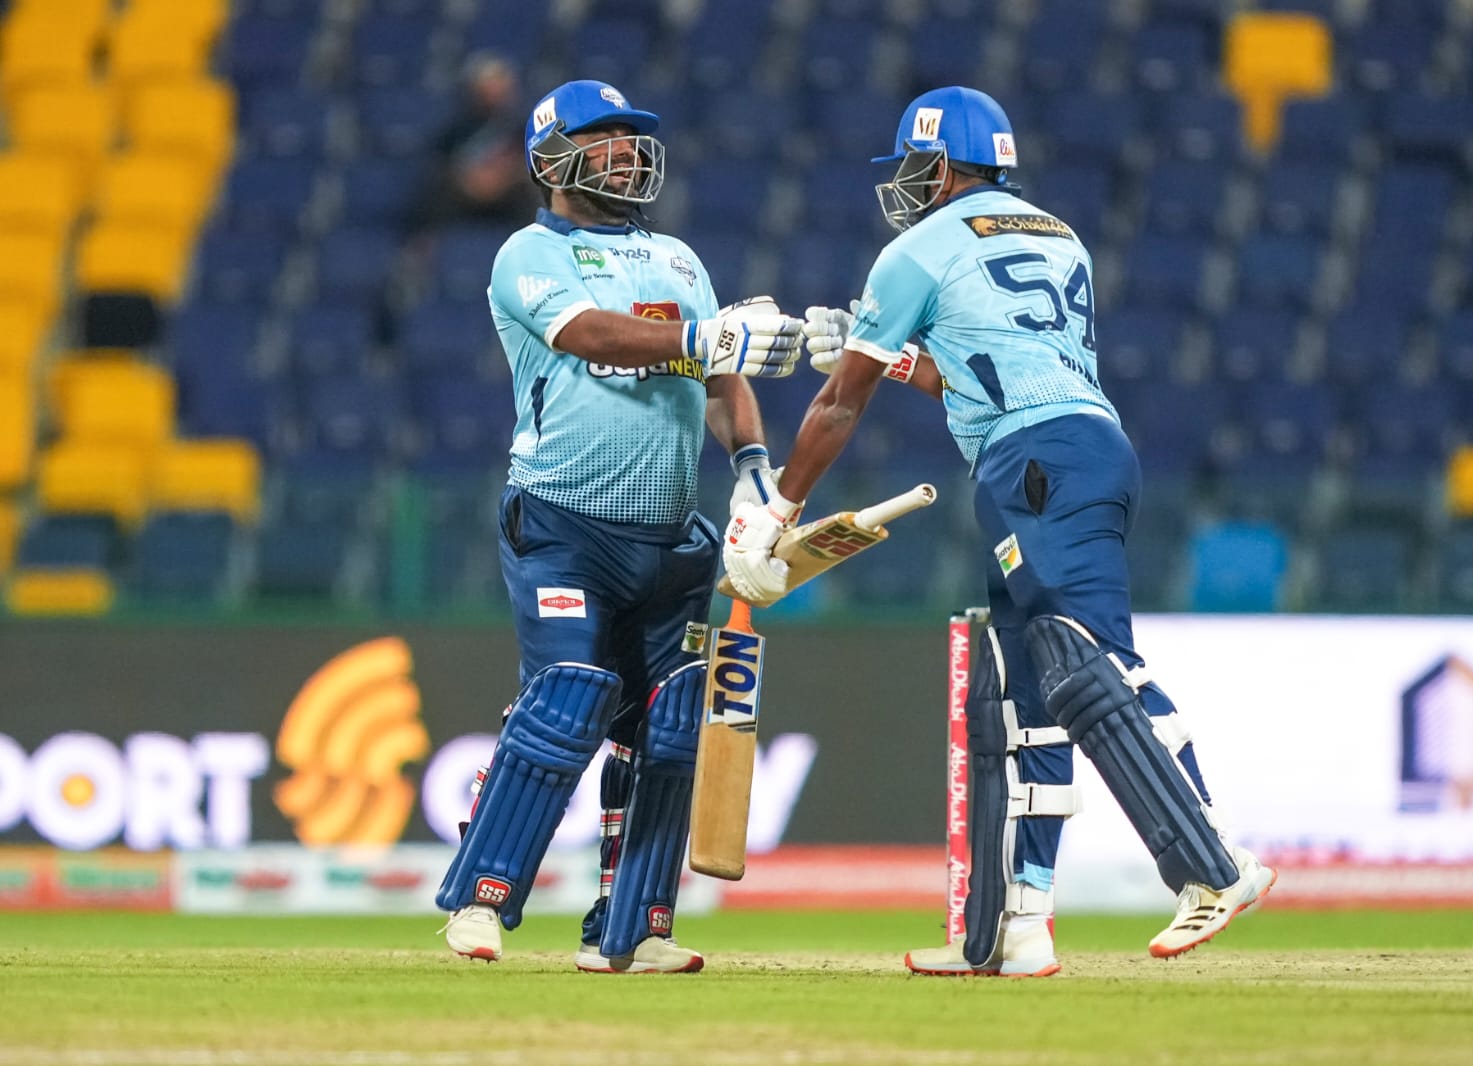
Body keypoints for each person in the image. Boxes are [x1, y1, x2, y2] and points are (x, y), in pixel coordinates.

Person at [721, 86, 1277, 975]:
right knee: (1021, 703)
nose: (907, 183)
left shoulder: (916, 249)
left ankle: (1213, 864)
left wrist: (776, 512)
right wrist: (890, 352)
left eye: (916, 166)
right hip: (1070, 449)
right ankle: (1014, 927)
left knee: (1088, 662)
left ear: (943, 166)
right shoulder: (1058, 235)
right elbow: (982, 370)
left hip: (1037, 459)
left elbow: (836, 405)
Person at [434, 78, 803, 973]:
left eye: (631, 138)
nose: (626, 152)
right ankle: (482, 900)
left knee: (669, 724)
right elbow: (591, 336)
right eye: (602, 138)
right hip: (564, 524)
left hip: (670, 537)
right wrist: (707, 338)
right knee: (566, 695)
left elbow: (721, 380)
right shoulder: (528, 253)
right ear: (552, 159)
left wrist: (753, 470)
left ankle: (633, 928)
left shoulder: (676, 257)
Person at [411, 51, 537, 232]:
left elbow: (531, 164)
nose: (494, 94)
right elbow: (443, 162)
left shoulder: (522, 129)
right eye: (488, 88)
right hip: (464, 192)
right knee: (437, 189)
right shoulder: (457, 129)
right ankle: (425, 243)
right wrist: (471, 180)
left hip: (508, 193)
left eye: (500, 88)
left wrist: (503, 179)